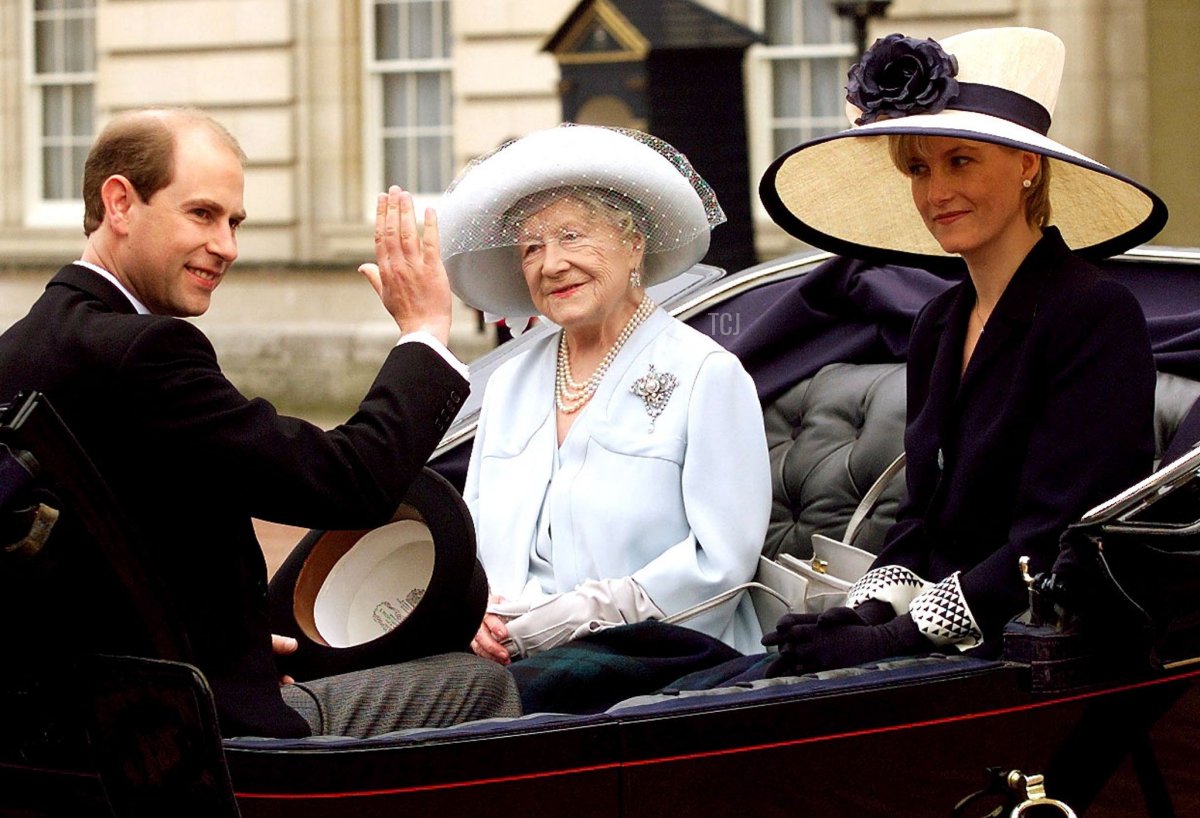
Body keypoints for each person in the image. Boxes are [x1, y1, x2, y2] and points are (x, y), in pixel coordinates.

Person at [0, 108, 519, 738]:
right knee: (481, 684)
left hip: (68, 722)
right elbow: (346, 481)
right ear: (120, 202)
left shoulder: (20, 346)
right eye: (202, 214)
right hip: (194, 736)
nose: (227, 246)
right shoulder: (143, 351)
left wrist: (227, 643)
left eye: (234, 222)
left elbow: (95, 557)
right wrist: (425, 333)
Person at [753, 27, 1166, 675]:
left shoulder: (1092, 313)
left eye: (960, 161)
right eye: (918, 168)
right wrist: (864, 610)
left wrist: (897, 637)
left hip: (1034, 653)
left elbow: (1058, 536)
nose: (935, 192)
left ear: (1028, 165)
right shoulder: (939, 322)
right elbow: (925, 516)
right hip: (936, 645)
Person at [435, 125, 771, 707]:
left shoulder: (705, 374)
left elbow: (719, 566)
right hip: (500, 659)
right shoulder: (511, 381)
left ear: (634, 243)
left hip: (659, 666)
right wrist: (471, 612)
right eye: (531, 248)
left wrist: (551, 624)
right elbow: (471, 531)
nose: (552, 264)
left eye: (571, 237)